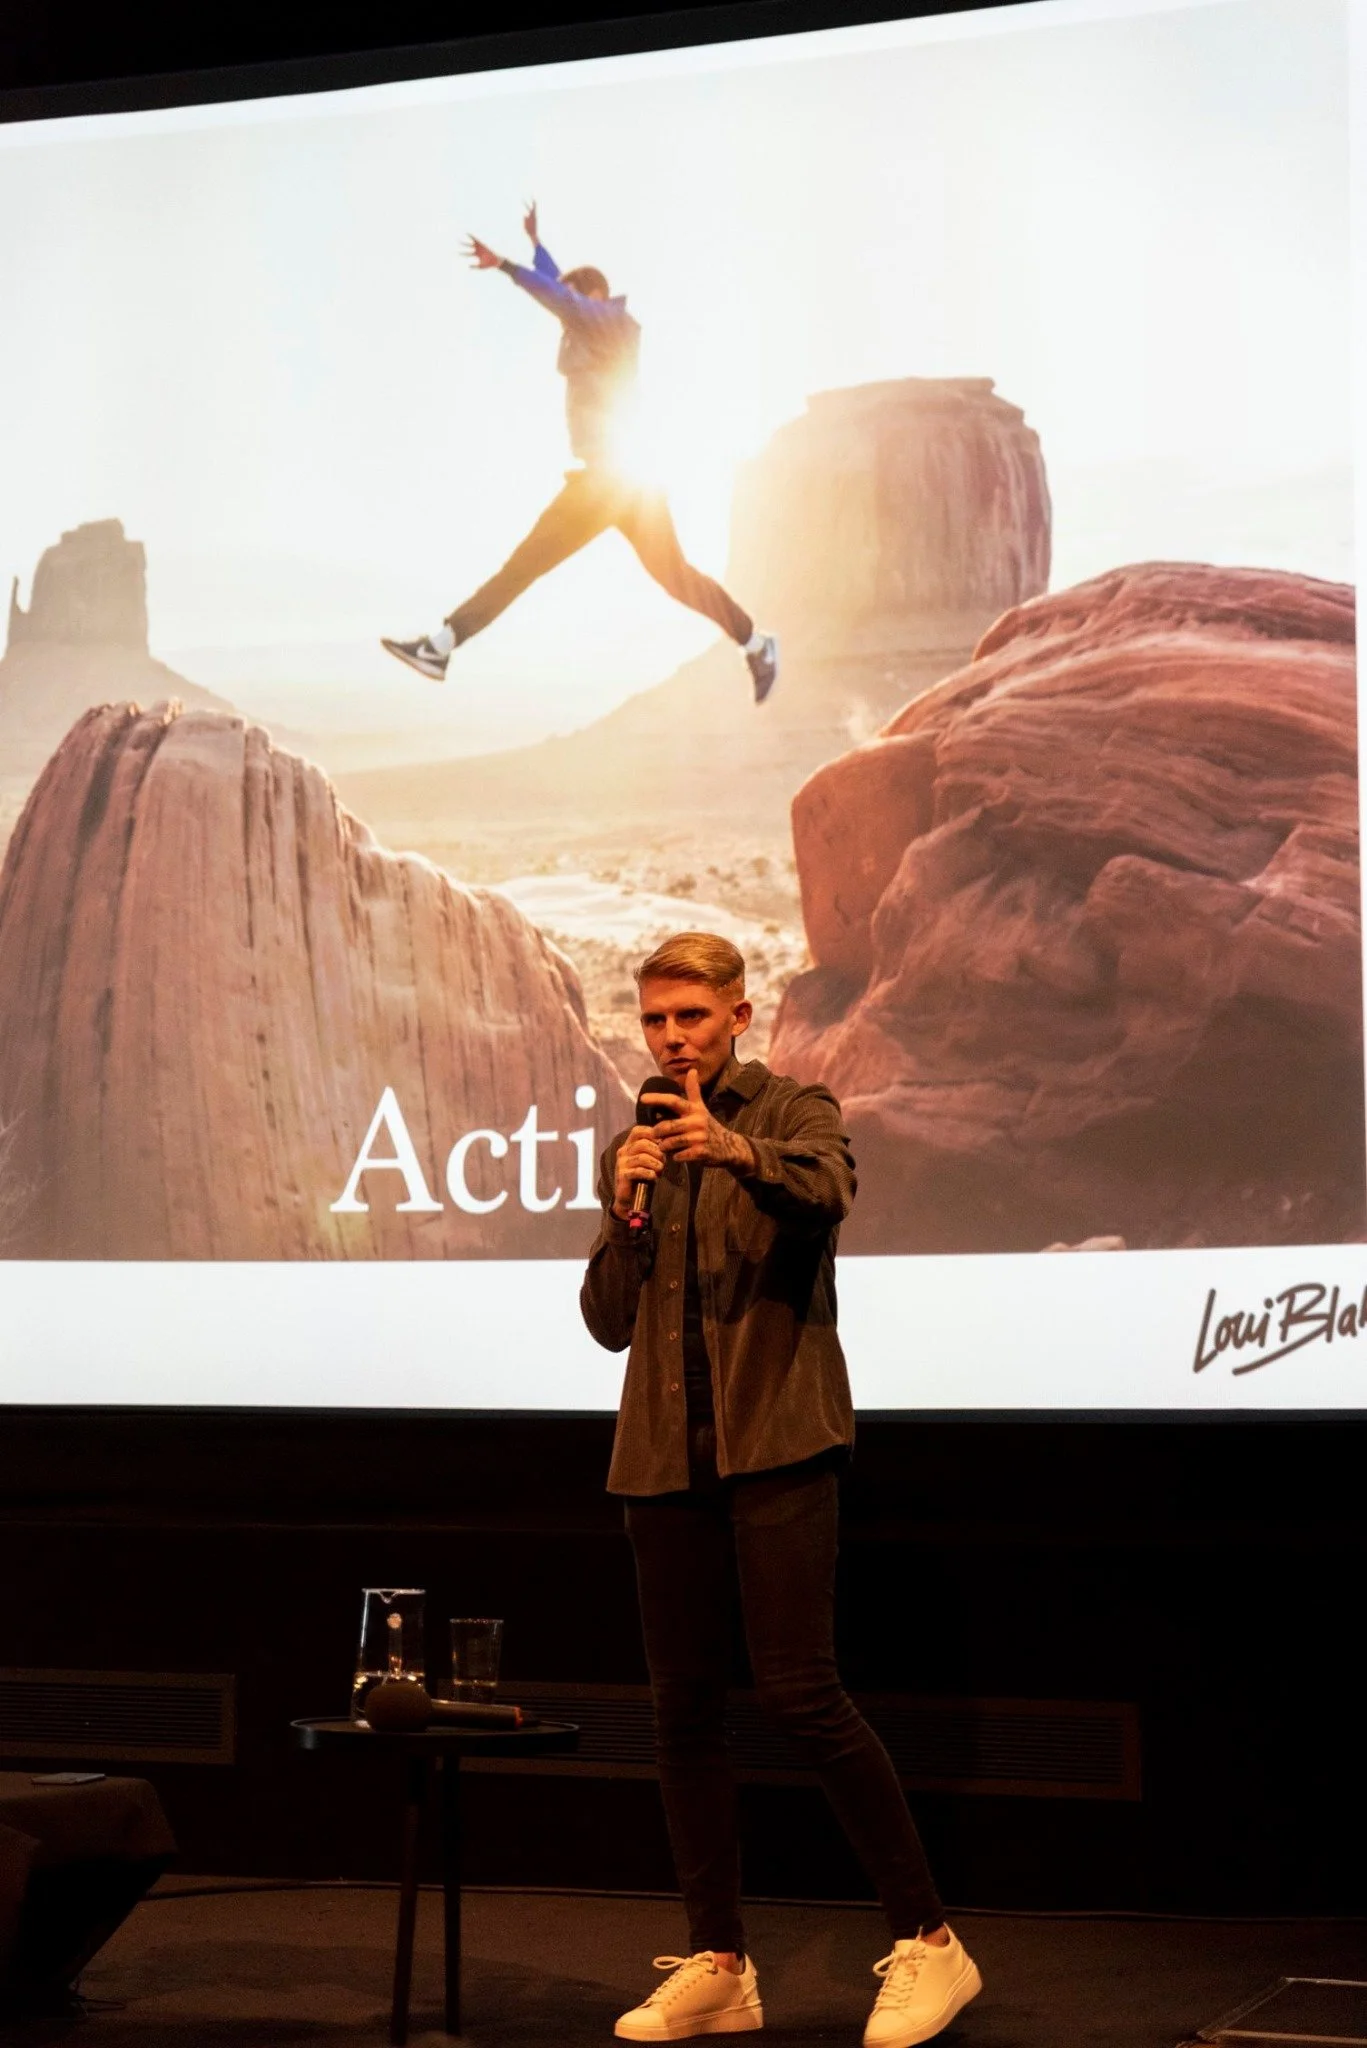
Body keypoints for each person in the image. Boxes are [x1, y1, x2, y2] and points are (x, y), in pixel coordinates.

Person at [580, 932, 982, 2047]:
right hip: (663, 1458)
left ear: (738, 1017)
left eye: (692, 1018)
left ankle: (929, 1940)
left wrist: (733, 1149)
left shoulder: (795, 1108)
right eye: (655, 1019)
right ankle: (717, 1959)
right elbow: (608, 1317)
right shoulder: (636, 1144)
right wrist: (625, 1208)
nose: (670, 1038)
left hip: (778, 1446)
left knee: (802, 1694)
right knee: (680, 1712)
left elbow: (828, 1190)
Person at [383, 205, 779, 705]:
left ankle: (441, 647)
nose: (565, 314)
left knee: (525, 566)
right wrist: (537, 246)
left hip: (611, 482)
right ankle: (756, 644)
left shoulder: (610, 323)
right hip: (624, 483)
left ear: (593, 296)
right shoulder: (591, 319)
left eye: (575, 299)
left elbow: (558, 295)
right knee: (676, 579)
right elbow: (558, 286)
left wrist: (505, 264)